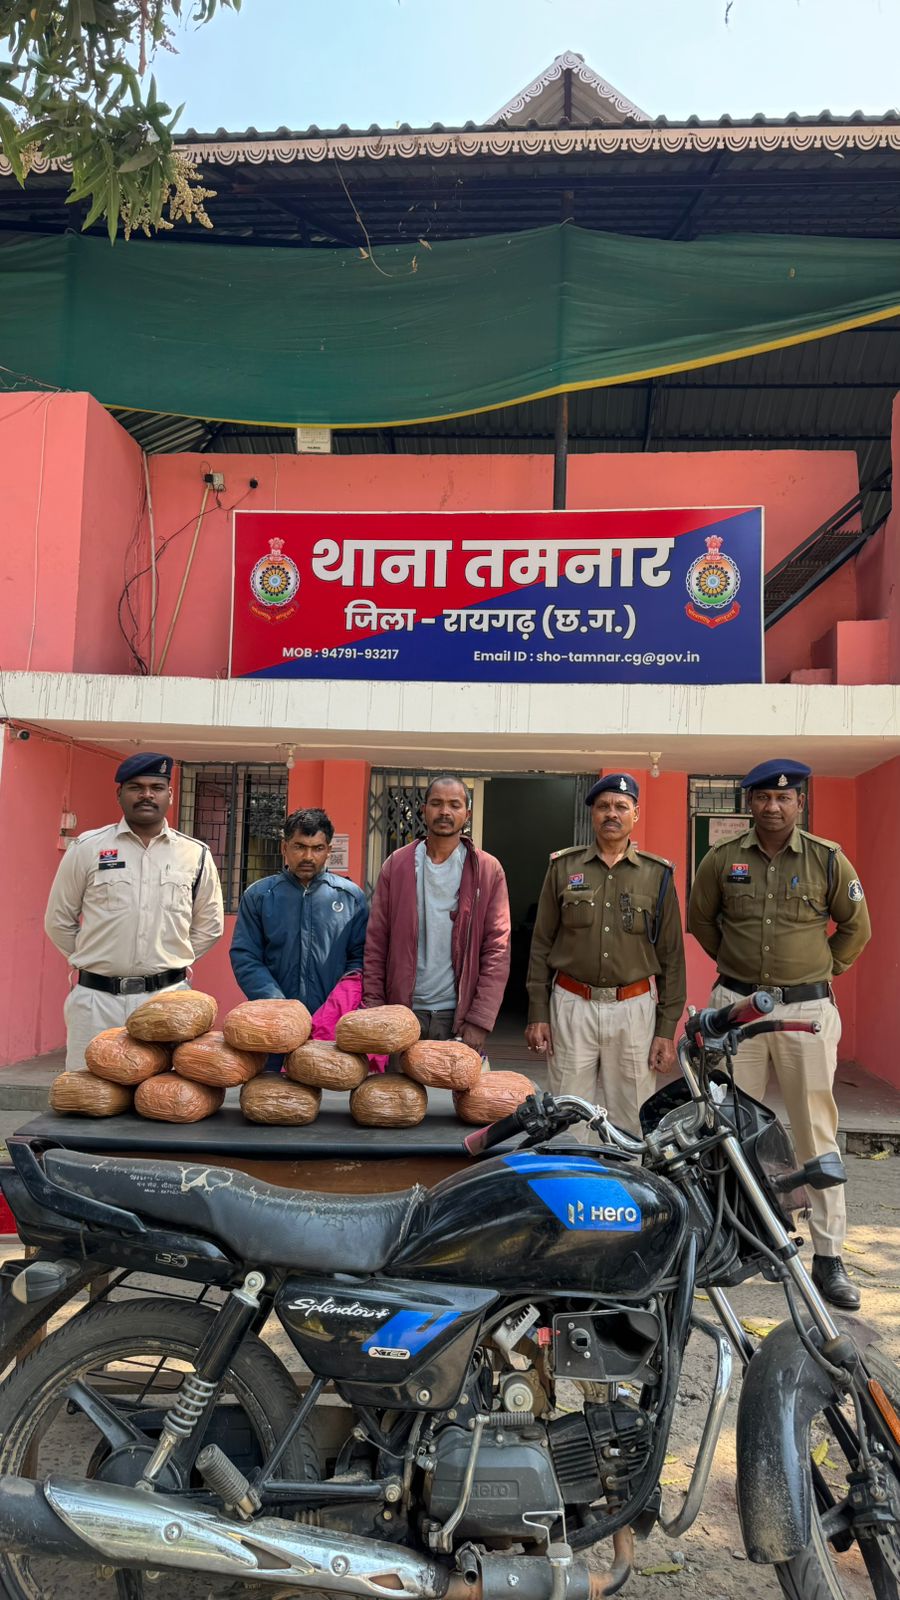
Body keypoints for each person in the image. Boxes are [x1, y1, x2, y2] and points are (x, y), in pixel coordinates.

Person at [688, 758, 871, 1310]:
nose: (773, 806)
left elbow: (856, 927)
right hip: (738, 1009)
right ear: (750, 802)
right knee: (728, 1129)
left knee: (815, 1131)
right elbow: (702, 922)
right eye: (764, 797)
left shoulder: (827, 859)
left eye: (784, 798)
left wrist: (817, 972)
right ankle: (741, 1242)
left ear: (799, 803)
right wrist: (738, 969)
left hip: (805, 1011)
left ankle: (829, 1256)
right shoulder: (722, 859)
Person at [525, 773, 686, 1137]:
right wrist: (538, 1012)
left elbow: (672, 957)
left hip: (634, 1010)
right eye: (603, 807)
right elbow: (541, 944)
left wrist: (666, 1029)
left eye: (621, 807)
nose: (612, 814)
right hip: (571, 1006)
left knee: (633, 1118)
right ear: (593, 814)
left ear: (635, 814)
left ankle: (626, 1176)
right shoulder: (563, 868)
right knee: (565, 1117)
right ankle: (570, 1174)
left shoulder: (657, 875)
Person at [44, 752, 224, 1070]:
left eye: (156, 787)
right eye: (136, 787)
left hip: (167, 1001)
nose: (146, 795)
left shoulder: (194, 854)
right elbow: (58, 920)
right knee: (89, 1092)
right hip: (96, 1001)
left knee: (161, 1091)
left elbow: (210, 925)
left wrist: (169, 960)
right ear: (119, 794)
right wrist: (93, 957)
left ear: (170, 794)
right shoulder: (87, 848)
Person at [363, 776, 510, 1050]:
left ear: (467, 814)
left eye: (454, 804)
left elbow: (497, 949)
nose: (444, 811)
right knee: (395, 1081)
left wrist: (480, 1019)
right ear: (423, 810)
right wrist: (374, 1006)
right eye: (436, 803)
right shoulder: (397, 865)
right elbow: (376, 942)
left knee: (460, 1080)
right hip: (402, 1013)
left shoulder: (487, 870)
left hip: (457, 1017)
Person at [230, 807, 368, 1015]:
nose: (308, 857)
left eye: (317, 848)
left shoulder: (351, 898)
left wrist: (334, 1009)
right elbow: (246, 956)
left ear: (329, 850)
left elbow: (359, 959)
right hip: (274, 1018)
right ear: (284, 848)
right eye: (300, 847)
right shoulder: (259, 896)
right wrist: (277, 1004)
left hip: (334, 1021)